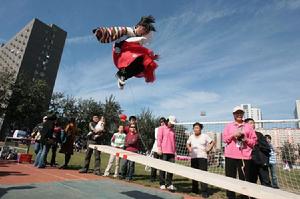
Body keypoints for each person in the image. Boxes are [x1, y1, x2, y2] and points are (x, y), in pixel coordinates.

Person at [93, 15, 159, 89]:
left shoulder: (139, 39)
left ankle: (122, 75)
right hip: (120, 52)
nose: (143, 32)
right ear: (138, 26)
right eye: (143, 29)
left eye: (145, 32)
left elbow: (140, 50)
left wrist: (152, 57)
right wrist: (101, 32)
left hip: (130, 54)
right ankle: (122, 74)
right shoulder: (128, 30)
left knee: (143, 63)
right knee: (139, 56)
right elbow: (114, 31)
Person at [223, 106, 257, 199]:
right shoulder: (229, 126)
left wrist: (245, 139)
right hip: (230, 155)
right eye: (237, 113)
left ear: (243, 114)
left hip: (244, 156)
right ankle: (231, 196)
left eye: (240, 113)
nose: (239, 115)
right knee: (230, 178)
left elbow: (254, 142)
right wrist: (233, 135)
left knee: (245, 179)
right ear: (233, 115)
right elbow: (225, 139)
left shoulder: (248, 127)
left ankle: (245, 196)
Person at [186, 122, 215, 198]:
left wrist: (208, 148)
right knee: (194, 174)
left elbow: (212, 142)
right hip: (194, 157)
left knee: (203, 175)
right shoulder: (191, 137)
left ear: (200, 129)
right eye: (194, 128)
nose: (195, 129)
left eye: (197, 128)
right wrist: (189, 149)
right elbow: (187, 143)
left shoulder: (205, 136)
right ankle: (194, 189)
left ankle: (204, 191)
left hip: (202, 157)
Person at [244, 118, 271, 187]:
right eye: (251, 123)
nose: (253, 124)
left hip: (261, 162)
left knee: (266, 182)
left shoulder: (259, 134)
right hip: (250, 162)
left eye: (253, 123)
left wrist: (256, 143)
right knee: (251, 182)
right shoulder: (243, 136)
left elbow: (267, 147)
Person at [157, 115, 177, 192]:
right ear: (168, 121)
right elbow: (159, 138)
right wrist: (159, 148)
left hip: (171, 151)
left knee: (171, 168)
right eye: (171, 123)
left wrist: (175, 151)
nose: (172, 124)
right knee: (163, 168)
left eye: (173, 123)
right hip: (164, 151)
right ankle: (162, 183)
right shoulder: (161, 128)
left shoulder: (173, 130)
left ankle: (169, 184)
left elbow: (174, 141)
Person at [150, 117, 166, 182]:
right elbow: (157, 137)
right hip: (156, 147)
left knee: (162, 164)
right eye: (161, 122)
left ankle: (161, 178)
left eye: (163, 122)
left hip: (164, 147)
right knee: (154, 163)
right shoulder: (157, 129)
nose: (162, 123)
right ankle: (152, 177)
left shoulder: (166, 129)